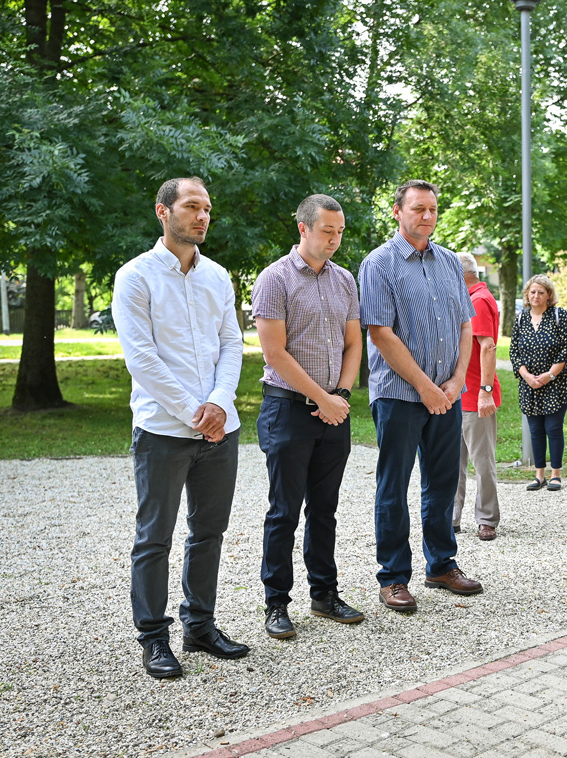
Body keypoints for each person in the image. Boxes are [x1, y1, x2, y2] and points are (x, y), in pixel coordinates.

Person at [112, 176, 248, 679]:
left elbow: (231, 344)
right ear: (163, 211)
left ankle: (200, 626)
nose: (202, 215)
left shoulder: (217, 276)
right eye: (192, 206)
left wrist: (219, 403)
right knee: (155, 538)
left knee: (209, 533)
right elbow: (142, 359)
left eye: (207, 208)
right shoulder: (135, 276)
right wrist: (197, 412)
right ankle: (153, 637)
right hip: (162, 431)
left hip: (221, 430)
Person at [358, 179, 484, 613]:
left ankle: (441, 565)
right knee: (393, 486)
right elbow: (380, 333)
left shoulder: (449, 261)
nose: (427, 216)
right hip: (399, 395)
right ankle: (393, 576)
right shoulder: (379, 264)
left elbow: (466, 324)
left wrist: (455, 381)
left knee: (443, 482)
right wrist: (426, 387)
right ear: (398, 212)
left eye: (432, 209)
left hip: (447, 394)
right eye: (417, 209)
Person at [252, 194, 364, 640]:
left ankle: (324, 594)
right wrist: (322, 397)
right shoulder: (274, 279)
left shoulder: (345, 280)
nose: (334, 240)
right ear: (303, 228)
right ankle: (276, 603)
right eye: (327, 231)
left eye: (340, 232)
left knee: (325, 510)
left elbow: (353, 344)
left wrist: (341, 395)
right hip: (288, 410)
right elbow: (274, 353)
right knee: (284, 512)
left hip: (334, 411)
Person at [510, 274, 567, 492]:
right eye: (532, 292)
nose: (536, 296)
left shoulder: (559, 316)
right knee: (535, 430)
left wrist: (549, 375)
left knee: (553, 428)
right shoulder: (521, 318)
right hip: (529, 385)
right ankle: (539, 475)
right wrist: (527, 376)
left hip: (557, 384)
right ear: (527, 295)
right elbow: (514, 352)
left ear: (549, 295)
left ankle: (555, 474)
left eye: (541, 292)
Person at [453, 251, 502, 540]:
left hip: (475, 396)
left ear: (460, 274)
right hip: (457, 395)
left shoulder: (479, 300)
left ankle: (487, 519)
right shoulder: (467, 297)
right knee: (453, 463)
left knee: (482, 463)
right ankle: (452, 518)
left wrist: (485, 392)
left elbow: (488, 346)